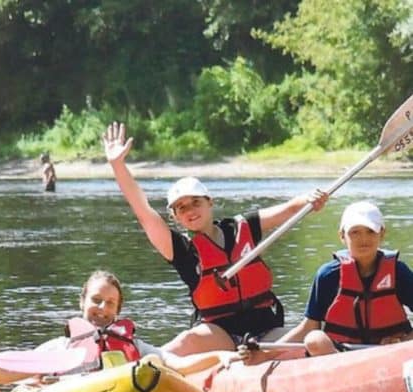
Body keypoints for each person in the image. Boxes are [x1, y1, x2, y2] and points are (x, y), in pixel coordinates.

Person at [103, 121, 329, 356]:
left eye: (196, 202)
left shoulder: (244, 226)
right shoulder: (182, 250)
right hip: (218, 337)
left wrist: (309, 200)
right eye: (181, 208)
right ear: (176, 217)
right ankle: (137, 359)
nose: (190, 211)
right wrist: (118, 165)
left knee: (313, 339)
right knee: (186, 341)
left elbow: (289, 209)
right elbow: (143, 211)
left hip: (265, 331)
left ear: (210, 202)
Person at [257, 201, 413, 360]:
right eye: (355, 232)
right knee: (314, 339)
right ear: (342, 236)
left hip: (391, 351)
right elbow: (309, 327)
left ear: (382, 234)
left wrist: (404, 340)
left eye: (370, 232)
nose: (363, 239)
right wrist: (266, 354)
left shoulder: (399, 272)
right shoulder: (328, 275)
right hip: (341, 353)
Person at [35, 269, 241, 375]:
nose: (103, 308)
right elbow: (22, 378)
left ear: (118, 310)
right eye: (96, 300)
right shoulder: (57, 348)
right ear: (82, 301)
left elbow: (178, 364)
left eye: (110, 303)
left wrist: (220, 356)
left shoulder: (136, 347)